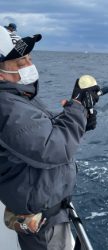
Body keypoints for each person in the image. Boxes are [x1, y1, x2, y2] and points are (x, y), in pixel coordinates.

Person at [0, 25, 100, 250]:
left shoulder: (17, 97)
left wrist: (80, 118)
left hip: (49, 209)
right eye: (19, 62)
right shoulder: (6, 106)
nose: (29, 65)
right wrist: (77, 108)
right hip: (42, 221)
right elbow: (52, 148)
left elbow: (42, 131)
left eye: (29, 58)